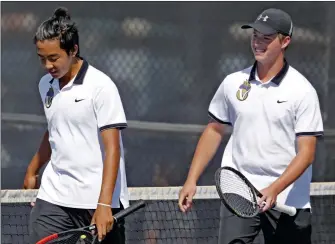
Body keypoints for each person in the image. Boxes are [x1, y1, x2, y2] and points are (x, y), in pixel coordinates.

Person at [178, 8, 323, 244]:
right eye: (255, 36)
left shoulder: (302, 91)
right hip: (240, 193)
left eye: (266, 38)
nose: (258, 43)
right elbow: (214, 130)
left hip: (287, 199)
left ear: (285, 41)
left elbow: (306, 153)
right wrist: (191, 179)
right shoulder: (232, 83)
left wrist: (275, 188)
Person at [23, 7, 129, 244]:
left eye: (53, 58)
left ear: (73, 50)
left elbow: (113, 148)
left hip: (97, 201)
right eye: (42, 59)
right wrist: (33, 169)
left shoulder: (102, 87)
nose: (48, 65)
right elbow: (56, 129)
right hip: (54, 197)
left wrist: (103, 205)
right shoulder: (45, 85)